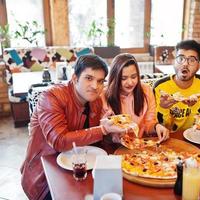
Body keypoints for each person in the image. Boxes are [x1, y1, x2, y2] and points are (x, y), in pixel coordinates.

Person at [20, 55, 128, 200]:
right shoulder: (51, 97)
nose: (95, 86)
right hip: (46, 174)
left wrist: (112, 135)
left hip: (83, 166)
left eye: (100, 81)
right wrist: (102, 130)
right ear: (75, 78)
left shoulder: (94, 101)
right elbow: (59, 140)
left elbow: (94, 138)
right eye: (89, 78)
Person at [100, 53, 169, 141]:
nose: (130, 82)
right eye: (123, 78)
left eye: (134, 77)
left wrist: (157, 126)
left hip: (138, 146)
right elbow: (102, 134)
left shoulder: (146, 91)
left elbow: (149, 123)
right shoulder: (103, 96)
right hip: (113, 148)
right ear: (115, 78)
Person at [153, 39, 200, 132]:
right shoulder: (160, 87)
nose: (185, 64)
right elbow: (163, 128)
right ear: (174, 62)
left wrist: (194, 105)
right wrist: (163, 108)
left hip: (197, 137)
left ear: (199, 66)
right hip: (171, 138)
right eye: (180, 59)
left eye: (191, 60)